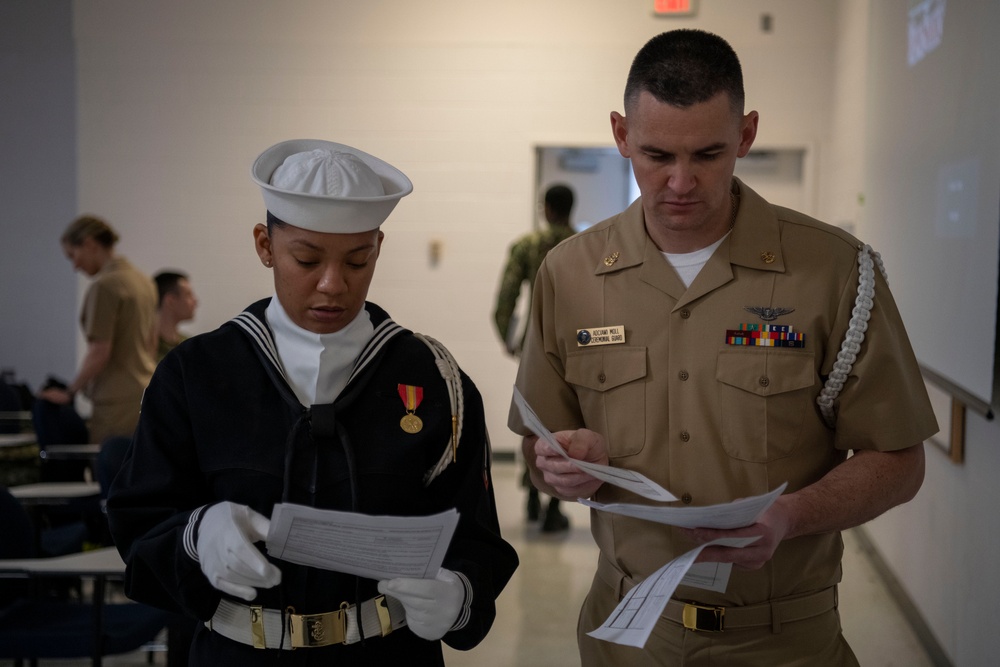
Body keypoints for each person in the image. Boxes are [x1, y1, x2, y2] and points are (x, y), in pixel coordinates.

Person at [508, 30, 937, 666]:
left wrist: (792, 515)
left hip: (781, 638)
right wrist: (568, 461)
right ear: (622, 135)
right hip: (625, 634)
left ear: (746, 134)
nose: (681, 182)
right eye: (656, 155)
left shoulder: (834, 272)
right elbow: (535, 446)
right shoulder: (567, 274)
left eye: (708, 154)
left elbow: (900, 460)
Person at [107, 139, 518, 665]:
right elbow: (137, 522)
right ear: (264, 244)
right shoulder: (196, 374)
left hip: (386, 654)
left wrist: (461, 593)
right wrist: (195, 534)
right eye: (306, 258)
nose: (333, 285)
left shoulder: (434, 378)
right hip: (238, 652)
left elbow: (475, 531)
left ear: (378, 247)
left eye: (357, 260)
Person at [493, 184, 576, 532]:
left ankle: (530, 493)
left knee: (532, 416)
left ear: (546, 209)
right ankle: (554, 505)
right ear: (570, 208)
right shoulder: (589, 246)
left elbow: (505, 300)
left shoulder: (527, 246)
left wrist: (510, 341)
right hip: (577, 345)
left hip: (535, 343)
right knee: (571, 419)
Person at [39, 215, 158, 445]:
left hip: (115, 402)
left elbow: (99, 351)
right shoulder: (143, 281)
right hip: (145, 392)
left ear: (89, 243)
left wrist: (70, 392)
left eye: (73, 256)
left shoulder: (105, 286)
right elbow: (151, 343)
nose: (75, 266)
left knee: (109, 473)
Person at [153, 270, 199, 361]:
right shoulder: (144, 346)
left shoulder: (188, 345)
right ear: (171, 300)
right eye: (188, 295)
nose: (195, 301)